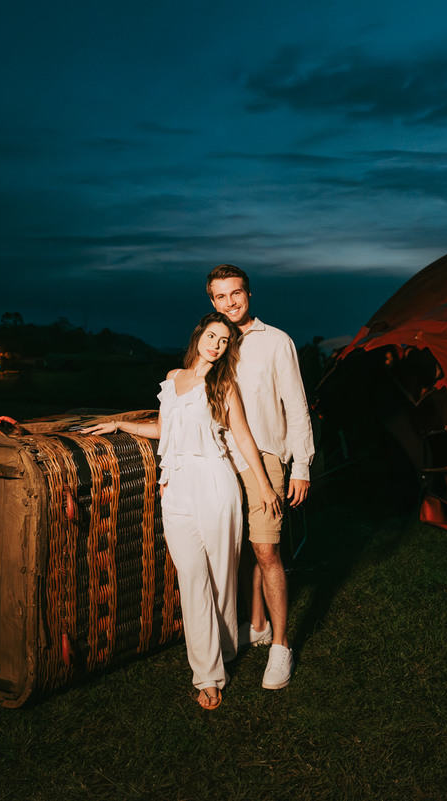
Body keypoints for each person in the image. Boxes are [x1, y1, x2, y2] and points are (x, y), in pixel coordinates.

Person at [84, 312, 281, 710]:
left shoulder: (223, 384)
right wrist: (122, 424)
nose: (217, 344)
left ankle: (222, 655)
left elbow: (242, 435)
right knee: (191, 577)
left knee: (222, 577)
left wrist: (262, 485)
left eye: (225, 341)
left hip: (215, 482)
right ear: (199, 336)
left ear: (228, 349)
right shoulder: (173, 378)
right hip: (174, 486)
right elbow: (164, 429)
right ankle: (208, 673)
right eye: (212, 336)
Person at [207, 264, 314, 690]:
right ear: (211, 302)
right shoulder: (214, 344)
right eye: (220, 296)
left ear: (249, 294)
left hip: (266, 457)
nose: (229, 302)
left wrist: (301, 465)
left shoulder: (276, 341)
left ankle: (281, 647)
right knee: (245, 547)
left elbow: (297, 405)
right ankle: (255, 625)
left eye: (236, 293)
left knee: (267, 551)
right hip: (221, 459)